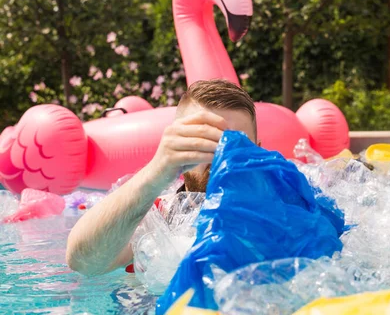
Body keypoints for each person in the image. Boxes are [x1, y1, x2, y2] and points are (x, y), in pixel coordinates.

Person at [66, 79, 258, 276]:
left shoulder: (281, 209)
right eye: (204, 143)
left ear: (259, 151)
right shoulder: (157, 218)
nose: (220, 158)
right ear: (178, 148)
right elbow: (83, 262)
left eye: (237, 145)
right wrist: (157, 172)